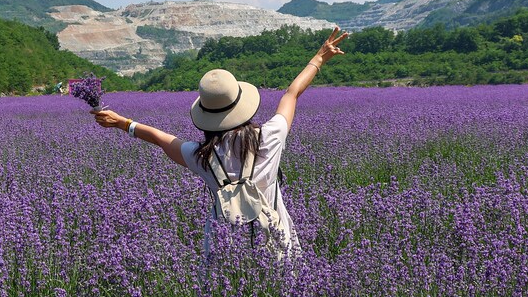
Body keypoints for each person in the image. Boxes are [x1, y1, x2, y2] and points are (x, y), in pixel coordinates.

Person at [92, 27, 349, 264]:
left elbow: (161, 138)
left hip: (225, 249)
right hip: (274, 243)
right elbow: (291, 94)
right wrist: (318, 59)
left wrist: (122, 123)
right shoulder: (269, 138)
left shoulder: (202, 156)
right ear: (242, 106)